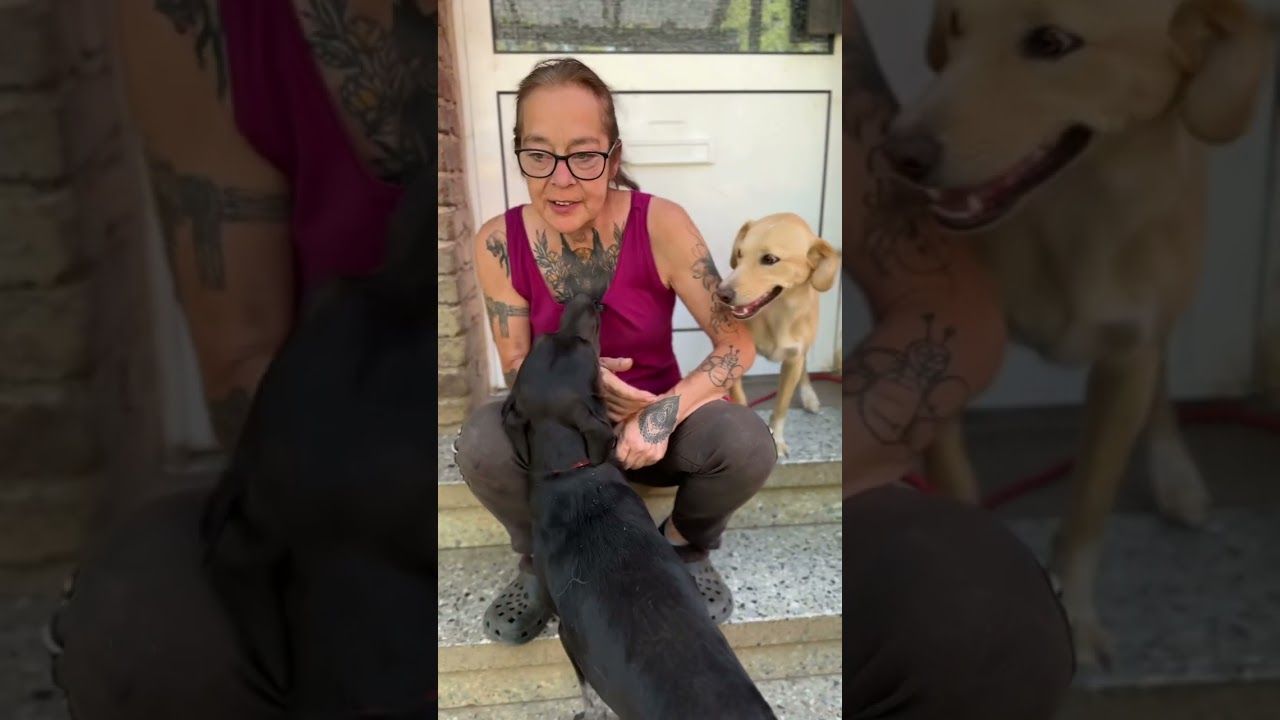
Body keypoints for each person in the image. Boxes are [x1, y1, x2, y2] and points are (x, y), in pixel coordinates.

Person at [47, 2, 434, 718]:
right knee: (143, 614)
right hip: (362, 466)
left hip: (527, 441)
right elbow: (245, 370)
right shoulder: (201, 20)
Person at [452, 57, 779, 644]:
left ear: (614, 156)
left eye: (583, 155)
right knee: (479, 441)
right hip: (557, 434)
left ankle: (682, 547)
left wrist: (663, 412)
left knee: (746, 441)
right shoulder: (498, 241)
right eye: (538, 154)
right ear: (519, 153)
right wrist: (581, 382)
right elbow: (515, 363)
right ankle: (540, 559)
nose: (560, 179)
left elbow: (736, 342)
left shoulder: (663, 224)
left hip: (655, 423)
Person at [843, 4, 1076, 719]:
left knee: (980, 617)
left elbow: (948, 313)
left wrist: (747, 473)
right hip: (550, 470)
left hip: (738, 457)